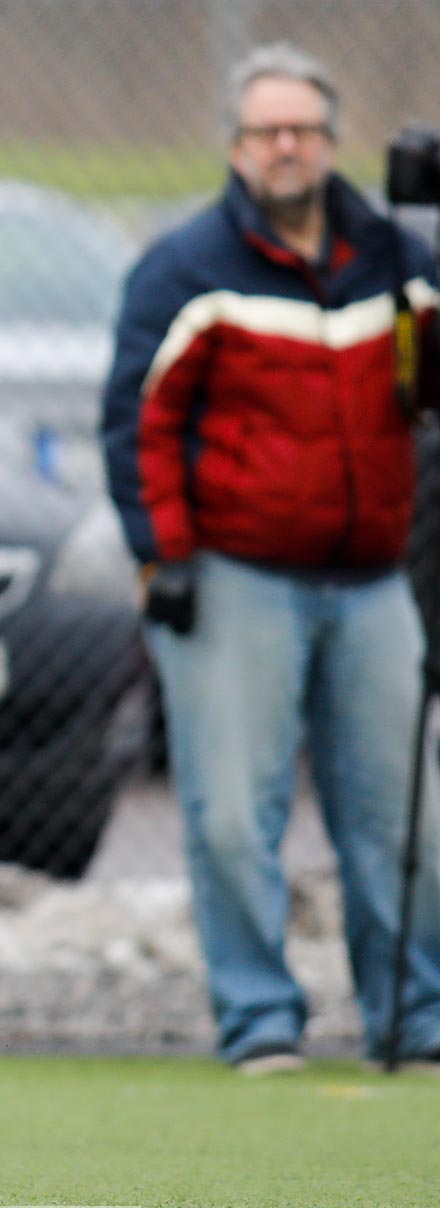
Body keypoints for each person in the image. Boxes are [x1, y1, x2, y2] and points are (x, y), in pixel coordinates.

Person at [102, 42, 440, 1074]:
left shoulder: (396, 256)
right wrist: (166, 554)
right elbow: (136, 423)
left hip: (374, 578)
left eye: (304, 129)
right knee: (235, 817)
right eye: (265, 131)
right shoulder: (186, 266)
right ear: (240, 147)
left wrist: (429, 235)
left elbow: (428, 389)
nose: (286, 146)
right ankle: (262, 1022)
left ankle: (414, 1019)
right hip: (236, 575)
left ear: (334, 143)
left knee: (402, 822)